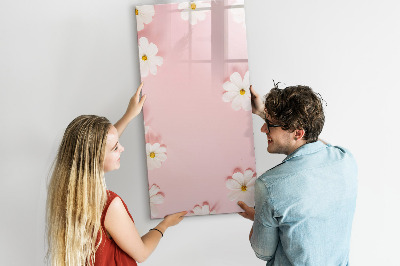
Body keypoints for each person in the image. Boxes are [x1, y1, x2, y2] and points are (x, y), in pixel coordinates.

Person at [46, 83, 187, 266]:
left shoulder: (66, 192)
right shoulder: (109, 205)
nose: (122, 148)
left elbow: (98, 147)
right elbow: (142, 253)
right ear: (94, 158)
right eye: (115, 148)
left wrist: (129, 115)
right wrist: (164, 225)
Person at [238, 84, 358, 265]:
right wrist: (263, 112)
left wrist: (260, 219)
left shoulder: (270, 185)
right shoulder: (345, 159)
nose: (263, 129)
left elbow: (263, 252)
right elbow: (313, 140)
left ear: (298, 132)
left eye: (270, 124)